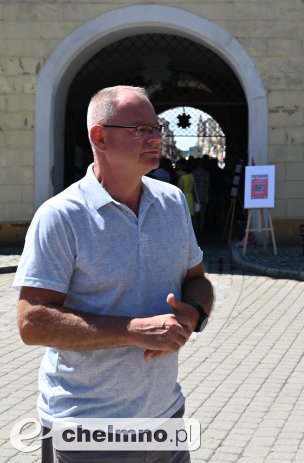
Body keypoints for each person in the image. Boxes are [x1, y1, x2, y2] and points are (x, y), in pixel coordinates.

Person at [14, 85, 213, 463]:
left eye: (156, 128)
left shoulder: (171, 203)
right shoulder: (61, 217)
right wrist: (131, 330)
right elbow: (32, 323)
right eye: (140, 129)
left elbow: (197, 280)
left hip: (165, 419)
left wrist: (196, 313)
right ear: (99, 137)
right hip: (87, 429)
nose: (156, 137)